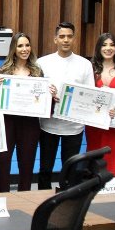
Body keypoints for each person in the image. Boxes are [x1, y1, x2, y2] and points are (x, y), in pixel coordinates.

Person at [37, 22, 95, 190]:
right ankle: (41, 199)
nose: (66, 40)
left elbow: (89, 93)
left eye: (69, 36)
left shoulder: (84, 64)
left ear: (74, 39)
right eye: (62, 36)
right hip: (48, 124)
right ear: (55, 39)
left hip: (74, 126)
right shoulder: (43, 62)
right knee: (45, 168)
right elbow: (37, 92)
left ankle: (68, 199)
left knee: (70, 169)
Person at [0, 32, 43, 192]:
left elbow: (41, 100)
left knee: (27, 163)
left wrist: (50, 93)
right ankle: (2, 196)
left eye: (27, 45)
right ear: (13, 48)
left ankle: (24, 198)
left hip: (29, 123)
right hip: (7, 121)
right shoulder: (4, 70)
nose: (24, 49)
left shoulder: (37, 71)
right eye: (20, 45)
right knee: (3, 160)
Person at [85, 33, 115, 179]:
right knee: (95, 153)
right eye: (104, 45)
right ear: (98, 48)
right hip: (95, 124)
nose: (108, 48)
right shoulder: (91, 71)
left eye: (112, 45)